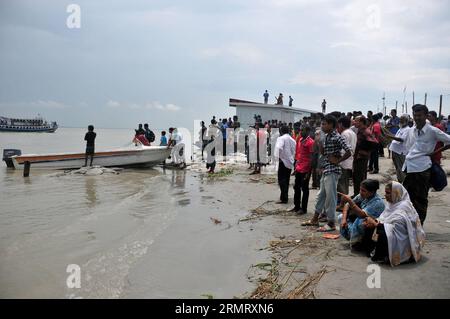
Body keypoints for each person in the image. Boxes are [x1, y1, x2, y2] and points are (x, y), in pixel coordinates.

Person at [301, 114, 352, 232]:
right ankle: (315, 219)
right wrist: (319, 142)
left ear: (331, 125)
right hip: (326, 169)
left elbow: (349, 151)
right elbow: (324, 153)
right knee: (321, 196)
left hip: (333, 170)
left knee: (331, 197)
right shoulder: (327, 136)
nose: (322, 126)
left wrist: (338, 160)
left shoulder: (337, 137)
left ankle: (331, 222)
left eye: (324, 124)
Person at [402, 104, 450, 225]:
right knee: (407, 198)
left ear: (426, 116)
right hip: (409, 167)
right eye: (415, 115)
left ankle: (419, 225)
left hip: (422, 169)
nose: (417, 118)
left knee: (421, 199)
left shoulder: (432, 131)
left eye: (419, 115)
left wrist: (435, 152)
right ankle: (410, 223)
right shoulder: (412, 130)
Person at [364, 181, 426, 266]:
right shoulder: (391, 204)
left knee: (382, 232)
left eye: (388, 193)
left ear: (396, 193)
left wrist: (376, 224)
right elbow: (384, 218)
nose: (385, 195)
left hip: (403, 238)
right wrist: (374, 222)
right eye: (385, 193)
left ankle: (389, 255)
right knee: (369, 226)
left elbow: (397, 228)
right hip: (392, 231)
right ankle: (376, 252)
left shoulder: (404, 206)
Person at [337, 179, 385, 254]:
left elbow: (362, 214)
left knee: (360, 221)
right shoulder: (363, 195)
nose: (360, 192)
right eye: (360, 189)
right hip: (360, 221)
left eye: (363, 190)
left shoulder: (377, 202)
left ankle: (358, 242)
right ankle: (353, 239)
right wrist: (343, 219)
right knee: (341, 217)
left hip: (372, 227)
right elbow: (347, 205)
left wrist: (350, 201)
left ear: (372, 192)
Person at [289, 125, 314, 214]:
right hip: (299, 168)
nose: (300, 132)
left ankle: (304, 209)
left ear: (307, 131)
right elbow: (300, 155)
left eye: (302, 130)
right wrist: (296, 167)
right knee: (296, 187)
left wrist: (309, 172)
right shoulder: (300, 140)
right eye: (300, 130)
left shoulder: (310, 142)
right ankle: (296, 206)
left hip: (306, 169)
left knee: (305, 189)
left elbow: (311, 159)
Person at [274, 125, 296, 204]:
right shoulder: (292, 140)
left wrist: (277, 157)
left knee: (281, 180)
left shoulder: (281, 138)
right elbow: (294, 151)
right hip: (290, 162)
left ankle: (284, 198)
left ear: (281, 131)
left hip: (282, 161)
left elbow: (278, 148)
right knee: (286, 179)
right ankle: (284, 196)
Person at [388, 115, 411, 183]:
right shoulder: (401, 128)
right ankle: (400, 180)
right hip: (395, 150)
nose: (400, 121)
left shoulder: (407, 129)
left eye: (402, 120)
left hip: (400, 152)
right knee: (397, 168)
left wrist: (391, 137)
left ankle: (404, 182)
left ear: (406, 121)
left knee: (401, 168)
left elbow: (402, 139)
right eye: (400, 119)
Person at [337, 116, 356, 196]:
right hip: (349, 161)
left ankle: (342, 203)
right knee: (345, 183)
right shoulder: (352, 133)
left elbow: (344, 150)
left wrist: (338, 160)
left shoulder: (344, 134)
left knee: (341, 185)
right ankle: (344, 202)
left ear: (341, 124)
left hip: (343, 162)